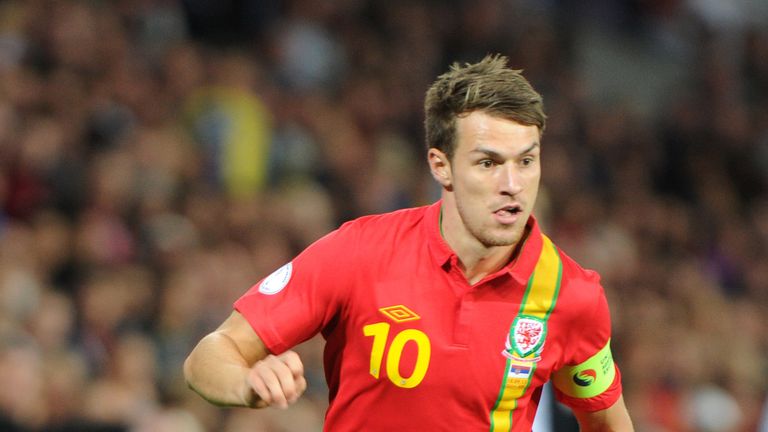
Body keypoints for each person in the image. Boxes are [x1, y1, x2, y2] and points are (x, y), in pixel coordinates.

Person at [184, 54, 634, 431]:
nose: (513, 184)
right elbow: (211, 355)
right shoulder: (360, 251)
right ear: (441, 166)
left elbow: (607, 423)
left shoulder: (572, 294)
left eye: (527, 161)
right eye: (488, 163)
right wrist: (247, 381)